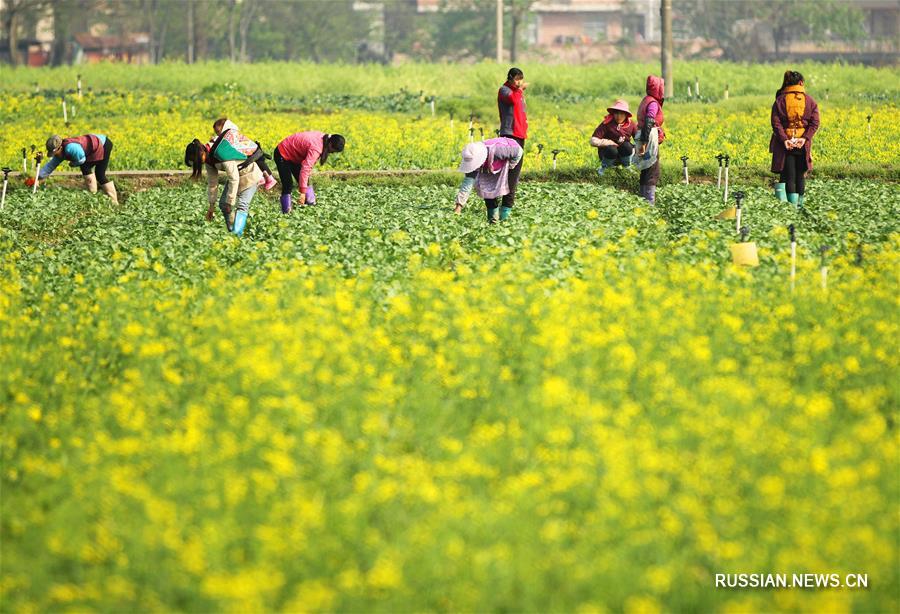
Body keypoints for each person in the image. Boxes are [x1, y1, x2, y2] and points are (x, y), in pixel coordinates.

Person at [184, 132, 261, 237]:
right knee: (223, 205)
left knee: (242, 205)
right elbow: (212, 184)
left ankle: (238, 236)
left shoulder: (220, 153)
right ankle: (233, 231)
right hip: (236, 177)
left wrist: (230, 202)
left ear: (201, 153)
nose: (199, 164)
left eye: (197, 161)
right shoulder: (208, 159)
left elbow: (234, 178)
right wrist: (211, 207)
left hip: (250, 174)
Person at [770, 70, 819, 208]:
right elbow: (815, 123)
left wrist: (785, 139)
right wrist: (804, 138)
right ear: (801, 83)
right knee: (799, 175)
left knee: (789, 176)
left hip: (786, 144)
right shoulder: (810, 101)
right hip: (802, 145)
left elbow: (776, 123)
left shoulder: (780, 100)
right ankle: (800, 206)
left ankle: (790, 207)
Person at [453, 136, 523, 223]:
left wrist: (510, 166)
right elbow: (467, 184)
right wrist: (458, 206)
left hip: (512, 158)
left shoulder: (499, 150)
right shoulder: (472, 157)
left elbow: (519, 151)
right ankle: (493, 221)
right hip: (491, 164)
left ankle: (505, 221)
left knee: (509, 187)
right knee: (486, 188)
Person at [273, 131, 345, 213]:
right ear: (330, 144)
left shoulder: (326, 139)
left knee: (304, 181)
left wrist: (304, 189)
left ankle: (311, 204)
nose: (332, 153)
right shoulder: (316, 149)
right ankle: (286, 211)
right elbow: (305, 169)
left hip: (295, 156)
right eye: (333, 150)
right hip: (282, 153)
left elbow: (304, 172)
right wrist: (302, 194)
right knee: (288, 184)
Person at [35, 133, 118, 204]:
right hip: (92, 146)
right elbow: (50, 166)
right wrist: (37, 178)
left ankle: (114, 202)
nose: (54, 155)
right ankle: (92, 196)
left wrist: (73, 164)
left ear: (60, 148)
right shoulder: (59, 154)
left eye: (54, 153)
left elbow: (81, 159)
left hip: (103, 144)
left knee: (99, 174)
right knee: (86, 169)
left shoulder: (71, 148)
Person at [212, 118, 278, 191]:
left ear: (225, 128)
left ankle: (270, 179)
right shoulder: (231, 133)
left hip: (254, 151)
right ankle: (262, 178)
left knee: (257, 162)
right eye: (216, 133)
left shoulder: (231, 133)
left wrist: (215, 141)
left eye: (218, 131)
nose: (218, 134)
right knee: (253, 163)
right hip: (251, 152)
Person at [497, 67, 528, 214]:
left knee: (514, 173)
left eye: (520, 79)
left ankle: (506, 209)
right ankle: (496, 206)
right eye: (516, 79)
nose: (519, 82)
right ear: (510, 78)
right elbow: (513, 101)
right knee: (504, 172)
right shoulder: (505, 90)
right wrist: (520, 90)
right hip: (509, 135)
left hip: (520, 135)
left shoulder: (518, 93)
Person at [635, 75, 666, 204]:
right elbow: (649, 120)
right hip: (648, 136)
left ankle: (643, 202)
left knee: (645, 169)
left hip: (642, 135)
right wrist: (645, 142)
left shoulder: (646, 100)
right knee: (652, 171)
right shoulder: (653, 103)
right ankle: (649, 203)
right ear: (658, 88)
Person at [590, 99, 636, 176]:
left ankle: (627, 167)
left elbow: (639, 139)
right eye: (616, 113)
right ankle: (604, 168)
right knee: (612, 149)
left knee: (627, 146)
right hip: (608, 153)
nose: (619, 116)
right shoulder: (606, 124)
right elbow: (593, 140)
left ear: (626, 115)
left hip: (623, 154)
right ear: (613, 114)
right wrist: (608, 142)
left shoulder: (631, 125)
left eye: (622, 114)